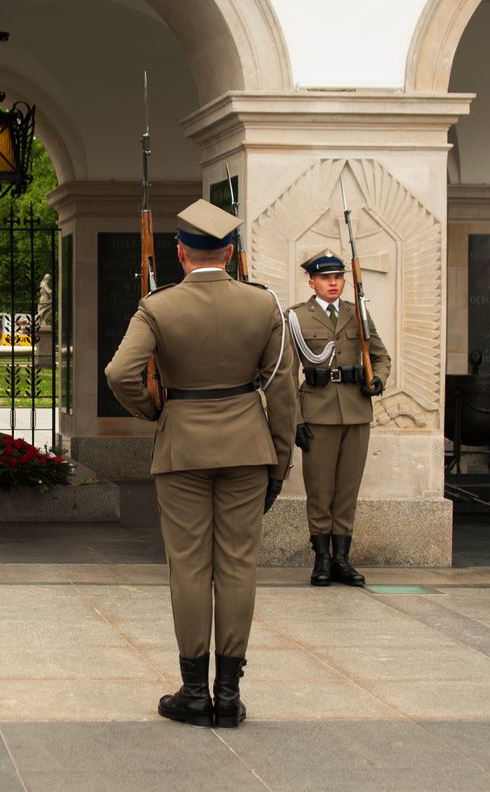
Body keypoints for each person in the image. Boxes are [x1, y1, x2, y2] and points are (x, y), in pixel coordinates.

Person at [105, 199, 297, 728]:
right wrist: (279, 463)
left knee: (189, 565)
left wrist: (157, 410)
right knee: (237, 566)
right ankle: (229, 693)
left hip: (183, 446)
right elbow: (283, 391)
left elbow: (120, 373)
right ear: (231, 252)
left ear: (181, 253)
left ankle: (193, 692)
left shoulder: (158, 307)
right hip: (247, 449)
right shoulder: (264, 306)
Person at [288, 249, 390, 588]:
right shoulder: (297, 317)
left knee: (348, 488)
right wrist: (296, 420)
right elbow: (286, 373)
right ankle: (321, 559)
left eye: (338, 277)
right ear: (312, 282)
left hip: (356, 410)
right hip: (317, 411)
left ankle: (342, 559)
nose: (333, 283)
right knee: (319, 490)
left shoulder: (357, 314)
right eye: (326, 278)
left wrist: (379, 379)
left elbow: (380, 356)